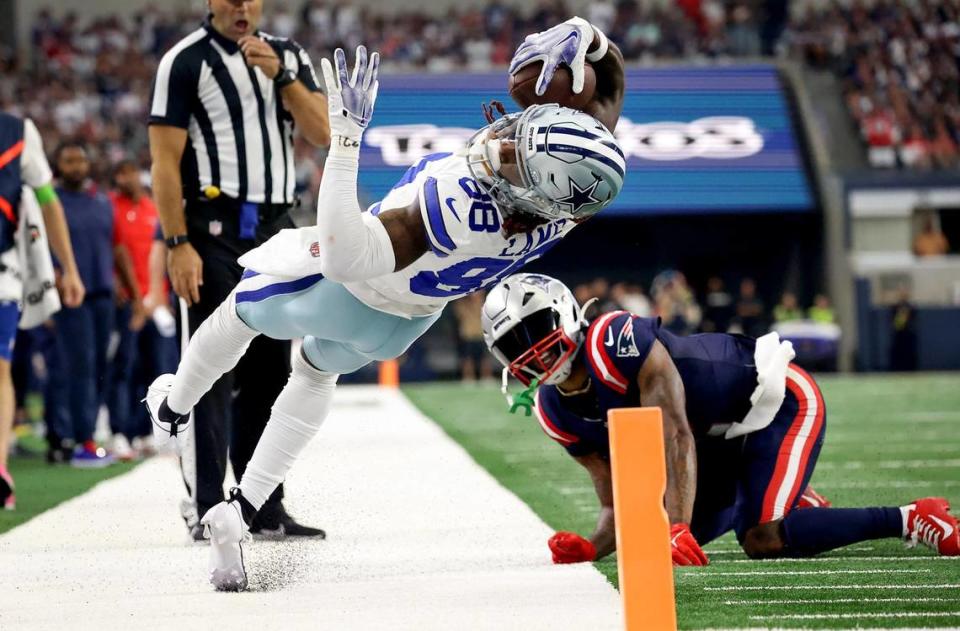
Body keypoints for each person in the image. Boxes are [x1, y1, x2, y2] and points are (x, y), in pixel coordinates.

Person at [147, 15, 627, 591]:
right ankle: (242, 510)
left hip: (346, 292)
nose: (506, 140)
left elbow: (345, 257)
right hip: (405, 325)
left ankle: (172, 409)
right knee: (314, 374)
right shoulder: (573, 200)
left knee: (238, 310)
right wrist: (592, 41)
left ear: (524, 182)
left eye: (517, 154)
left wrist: (347, 138)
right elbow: (608, 97)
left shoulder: (455, 203)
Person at [480, 273, 959, 565]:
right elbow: (617, 505)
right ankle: (774, 489)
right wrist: (591, 546)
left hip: (773, 398)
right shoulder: (555, 410)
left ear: (565, 314)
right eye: (515, 344)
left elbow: (677, 435)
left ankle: (911, 518)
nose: (532, 350)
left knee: (760, 537)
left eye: (536, 329)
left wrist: (677, 525)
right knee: (649, 540)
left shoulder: (613, 339)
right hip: (720, 436)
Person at [148, 0, 331, 540]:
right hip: (211, 231)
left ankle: (262, 506)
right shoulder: (184, 62)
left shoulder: (289, 55)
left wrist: (282, 76)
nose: (241, 6)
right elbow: (162, 161)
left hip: (276, 231)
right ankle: (206, 507)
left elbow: (322, 131)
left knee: (271, 372)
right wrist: (178, 241)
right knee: (210, 369)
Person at [0, 112, 85, 508]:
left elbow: (48, 200)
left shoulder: (18, 132)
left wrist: (67, 266)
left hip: (3, 271)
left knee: (0, 367)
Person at [45, 141, 140, 468]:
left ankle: (85, 435)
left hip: (103, 295)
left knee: (99, 365)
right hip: (71, 295)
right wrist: (51, 284)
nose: (75, 166)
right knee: (78, 366)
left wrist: (127, 287)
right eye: (68, 160)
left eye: (80, 160)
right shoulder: (51, 202)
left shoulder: (100, 201)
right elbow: (42, 248)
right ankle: (75, 439)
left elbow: (115, 247)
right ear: (58, 166)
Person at [106, 161, 177, 460]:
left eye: (133, 172)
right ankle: (120, 432)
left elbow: (165, 256)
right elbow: (108, 251)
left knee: (155, 369)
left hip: (155, 304)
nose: (130, 177)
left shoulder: (152, 210)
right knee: (124, 367)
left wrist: (161, 298)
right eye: (124, 172)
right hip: (126, 303)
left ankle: (147, 431)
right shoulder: (109, 208)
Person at [452, 292, 493, 382]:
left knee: (485, 358)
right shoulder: (462, 304)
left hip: (481, 334)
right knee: (467, 358)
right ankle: (468, 378)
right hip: (468, 335)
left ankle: (487, 377)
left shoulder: (484, 303)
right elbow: (459, 313)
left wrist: (478, 300)